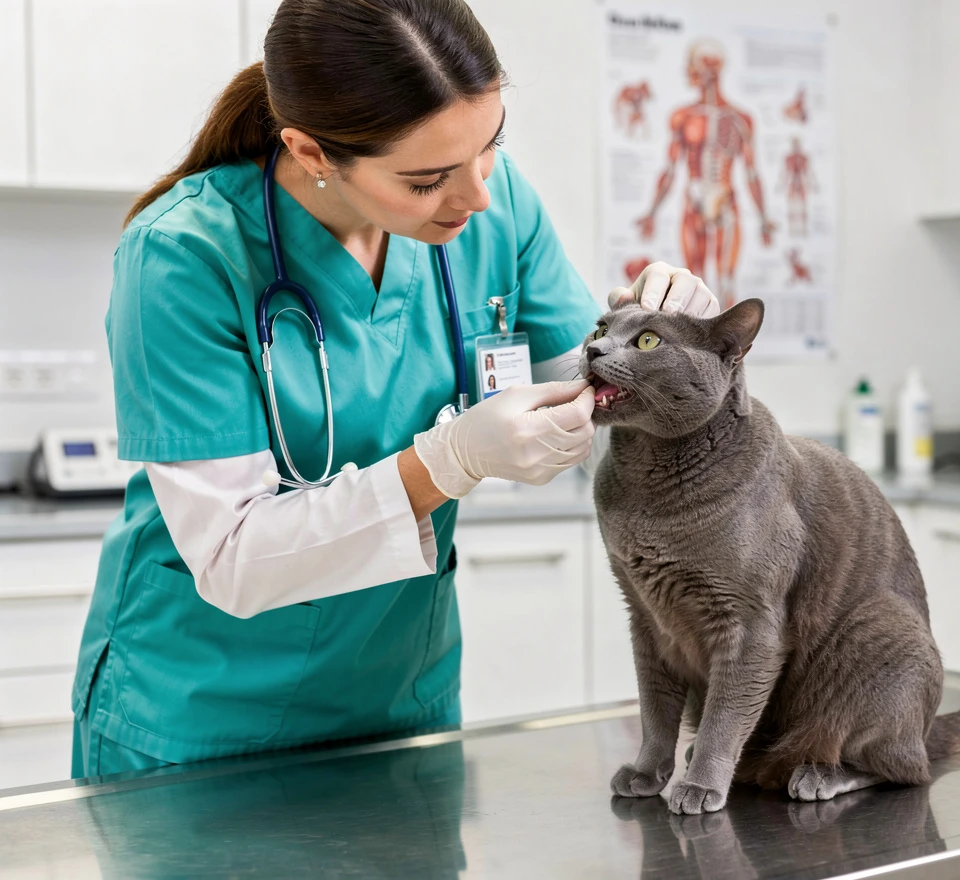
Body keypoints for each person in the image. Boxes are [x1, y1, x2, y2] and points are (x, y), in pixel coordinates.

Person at [71, 0, 719, 776]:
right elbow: (233, 557)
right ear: (311, 150)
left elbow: (594, 396)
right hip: (201, 714)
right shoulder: (183, 257)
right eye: (426, 180)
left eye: (490, 148)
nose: (476, 196)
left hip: (401, 703)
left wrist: (664, 344)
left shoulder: (495, 205)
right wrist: (443, 466)